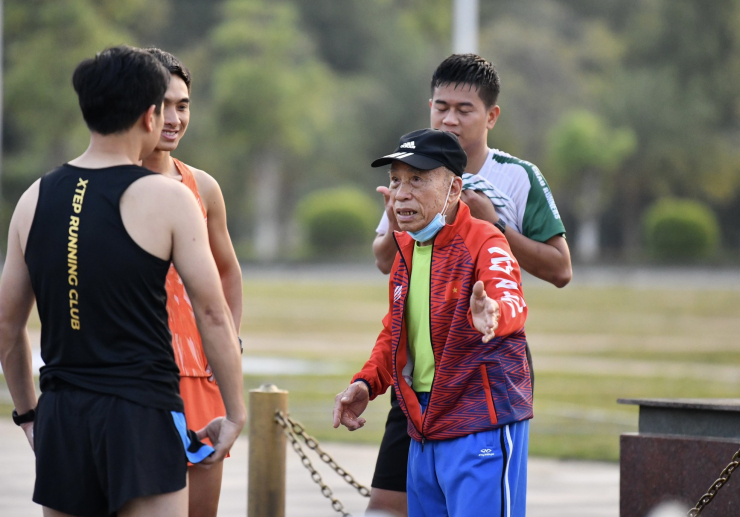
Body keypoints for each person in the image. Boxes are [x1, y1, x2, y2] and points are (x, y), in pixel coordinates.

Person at [0, 46, 245, 517]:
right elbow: (213, 312)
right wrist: (235, 411)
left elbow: (8, 326)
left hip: (63, 413)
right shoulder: (168, 198)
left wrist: (29, 415)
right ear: (150, 115)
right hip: (141, 413)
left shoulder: (34, 197)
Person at [368, 53, 571, 515]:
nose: (450, 118)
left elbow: (561, 269)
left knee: (475, 494)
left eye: (464, 109)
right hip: (420, 367)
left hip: (484, 355)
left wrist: (493, 225)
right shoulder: (412, 170)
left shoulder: (517, 176)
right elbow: (387, 263)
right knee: (385, 503)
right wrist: (401, 208)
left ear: (491, 116)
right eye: (441, 107)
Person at [334, 128, 531, 517]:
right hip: (423, 424)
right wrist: (366, 383)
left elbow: (511, 302)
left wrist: (492, 315)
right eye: (395, 180)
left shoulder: (485, 241)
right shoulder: (405, 248)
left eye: (418, 179)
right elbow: (395, 332)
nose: (401, 193)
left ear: (455, 189)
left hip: (481, 424)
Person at [141, 47, 243, 517]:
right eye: (163, 104)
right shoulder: (106, 184)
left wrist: (226, 352)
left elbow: (227, 272)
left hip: (200, 379)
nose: (175, 117)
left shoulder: (202, 186)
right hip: (135, 378)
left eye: (183, 105)